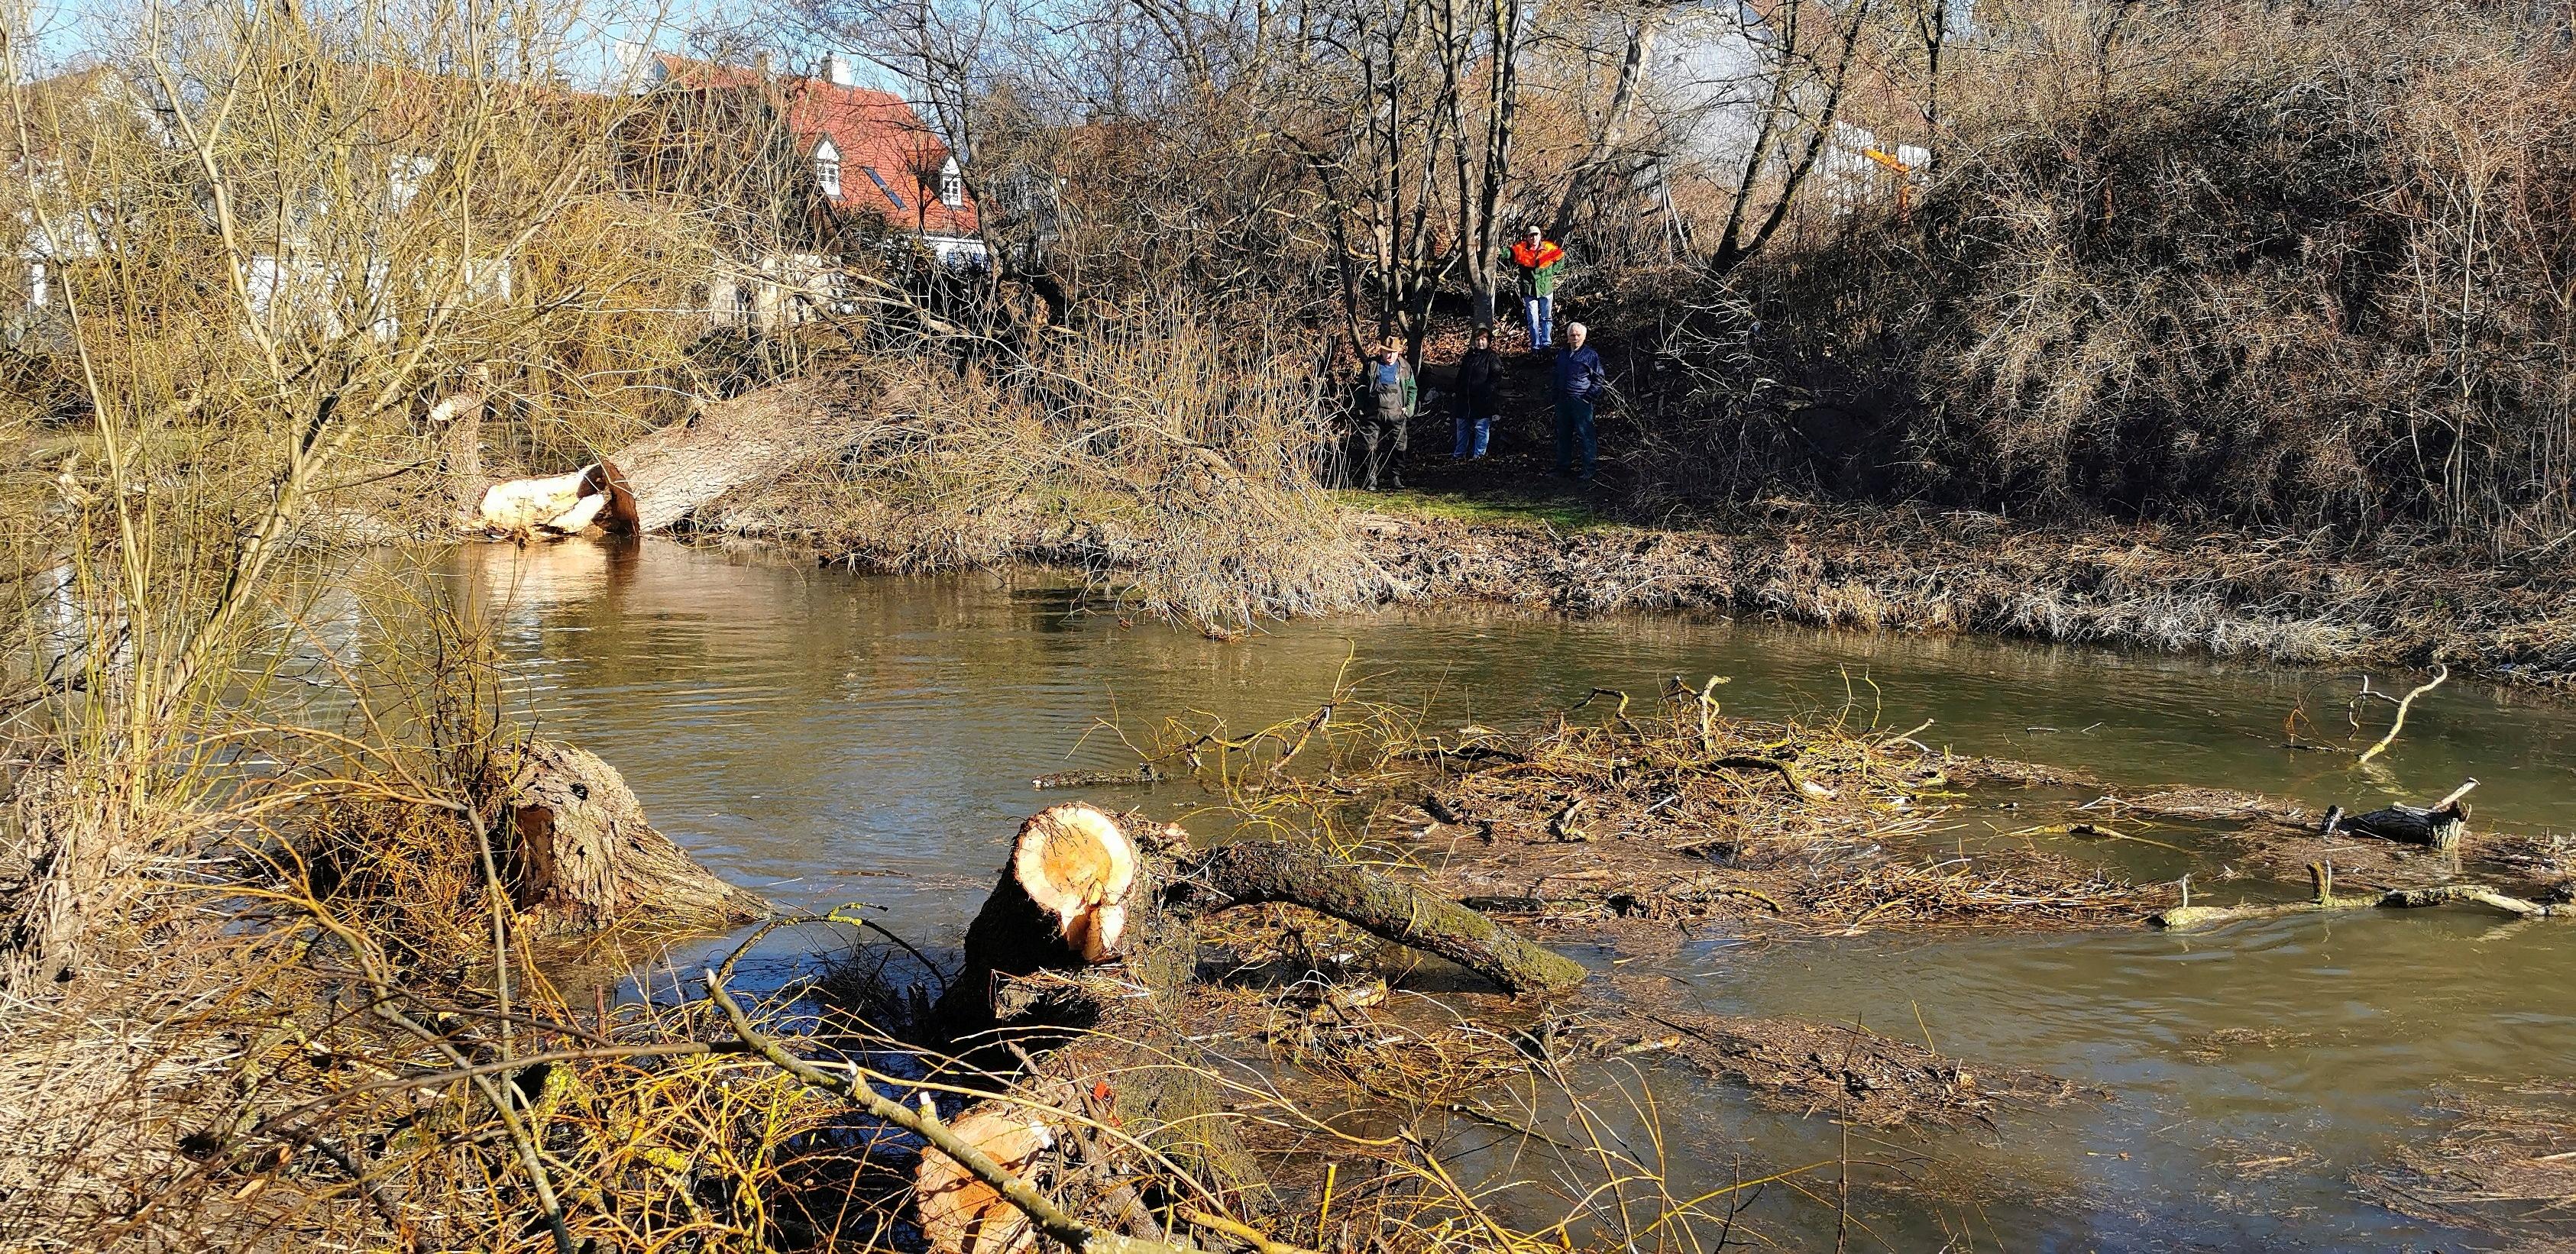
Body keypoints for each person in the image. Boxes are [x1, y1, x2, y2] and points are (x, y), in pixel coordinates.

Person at [1353, 338, 1414, 491]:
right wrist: (1360, 407)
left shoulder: (1405, 367)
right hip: (1372, 415)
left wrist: (1409, 409)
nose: (1390, 356)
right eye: (1387, 352)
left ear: (1399, 352)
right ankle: (1371, 479)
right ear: (1381, 351)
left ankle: (1396, 477)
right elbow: (1361, 387)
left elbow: (1412, 389)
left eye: (1393, 353)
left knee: (1399, 447)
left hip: (1397, 415)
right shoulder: (1372, 366)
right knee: (1369, 448)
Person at [1552, 322, 1607, 480]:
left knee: (1585, 435)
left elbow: (1599, 378)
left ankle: (1589, 469)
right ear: (1567, 337)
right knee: (1563, 435)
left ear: (1584, 337)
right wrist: (1554, 394)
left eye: (1578, 335)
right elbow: (1556, 375)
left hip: (1581, 400)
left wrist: (1588, 397)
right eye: (1572, 335)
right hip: (1563, 400)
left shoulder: (1590, 355)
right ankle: (1563, 468)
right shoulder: (1562, 354)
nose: (1575, 338)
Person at [1510, 225, 1567, 350]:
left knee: (1546, 318)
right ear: (1527, 238)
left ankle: (1546, 343)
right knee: (1533, 320)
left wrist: (1553, 271)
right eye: (1531, 235)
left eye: (1536, 235)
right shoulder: (1521, 249)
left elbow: (1561, 257)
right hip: (1529, 290)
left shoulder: (1549, 248)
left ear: (1540, 236)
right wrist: (1497, 251)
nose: (1534, 237)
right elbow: (1509, 253)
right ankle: (1536, 345)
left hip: (1546, 289)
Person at [1452, 328, 1502, 459]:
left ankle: (1479, 457)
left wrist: (1486, 395)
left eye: (1483, 339)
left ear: (1488, 341)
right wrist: (1458, 392)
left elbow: (1495, 380)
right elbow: (1460, 377)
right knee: (1462, 429)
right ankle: (1459, 455)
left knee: (1481, 429)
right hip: (1464, 401)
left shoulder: (1492, 358)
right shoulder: (1469, 357)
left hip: (1482, 402)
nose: (1480, 342)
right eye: (1478, 340)